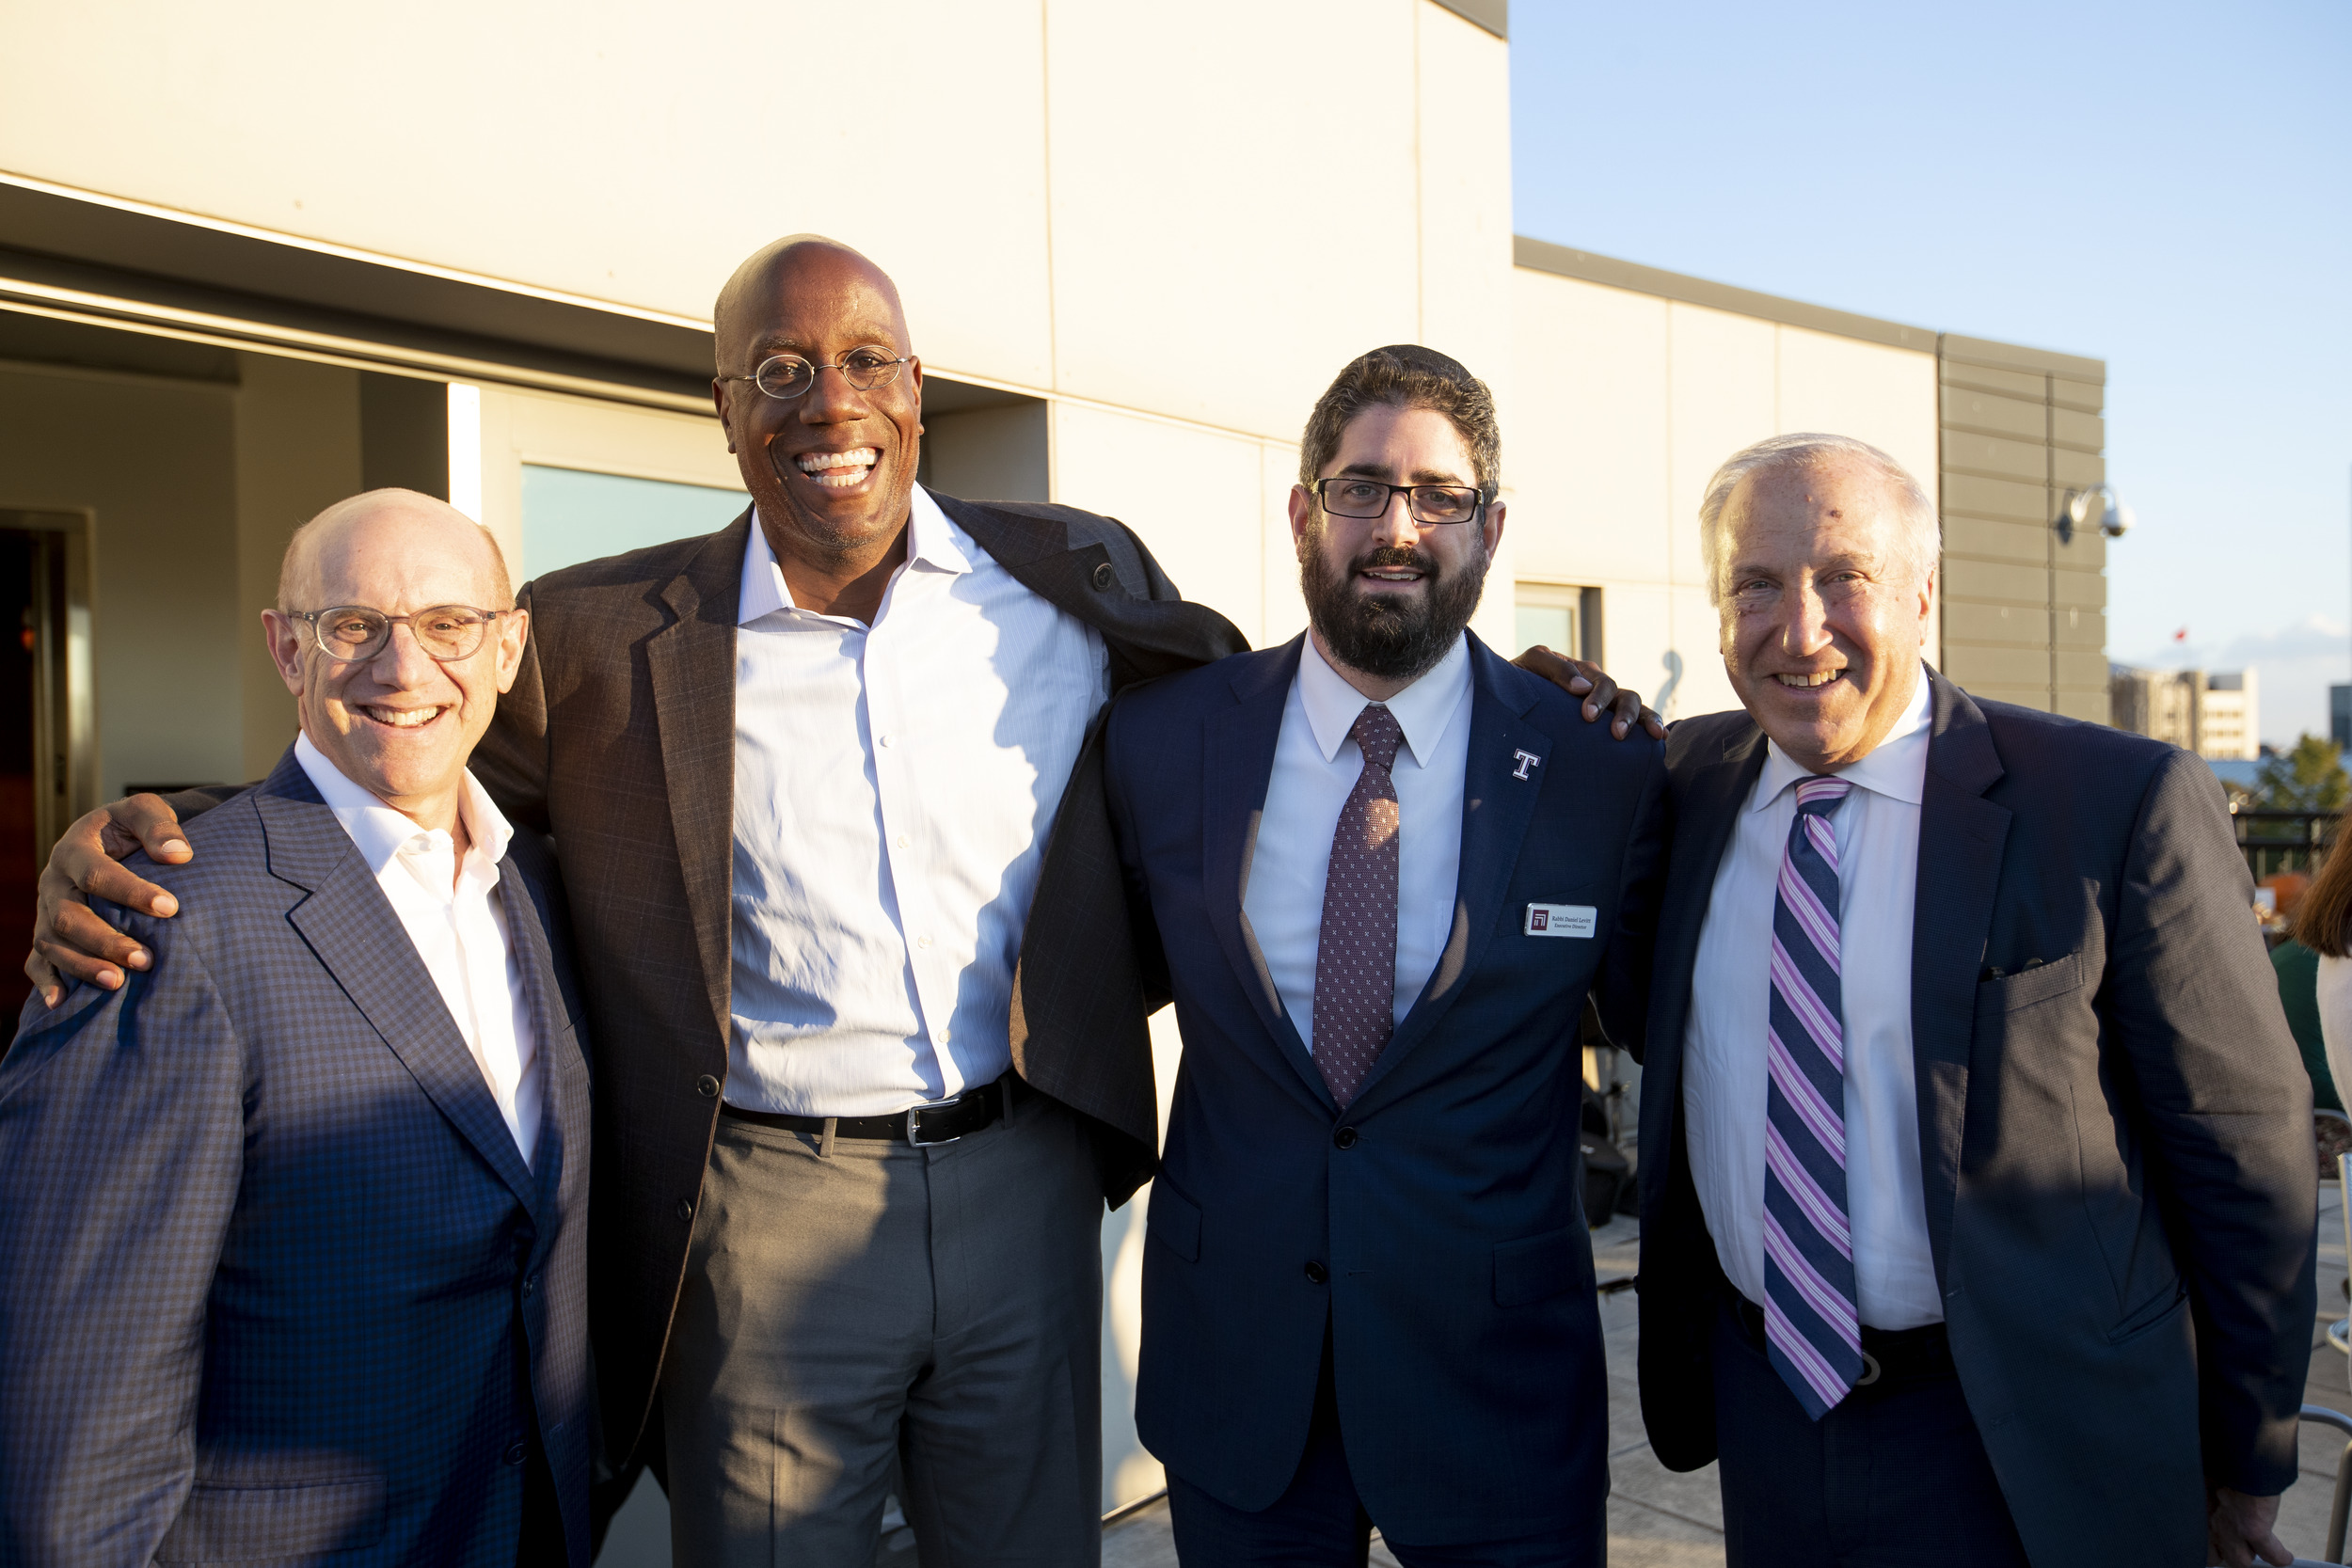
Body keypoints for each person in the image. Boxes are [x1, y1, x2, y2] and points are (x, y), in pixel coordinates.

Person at [24, 242, 1651, 1564]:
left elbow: (1305, 716)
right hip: (766, 1203)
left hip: (1020, 1181)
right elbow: (405, 735)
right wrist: (174, 829)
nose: (829, 402)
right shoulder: (599, 639)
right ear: (725, 409)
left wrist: (1553, 699)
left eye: (865, 359)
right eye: (779, 372)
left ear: (919, 391)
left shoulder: (1077, 587)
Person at [1629, 433, 2315, 1568]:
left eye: (1845, 577)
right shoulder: (1678, 785)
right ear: (1716, 609)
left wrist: (2249, 1458)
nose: (1800, 630)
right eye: (1756, 583)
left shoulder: (2110, 804)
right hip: (1769, 1416)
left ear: (1922, 594)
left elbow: (2243, 1145)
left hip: (2031, 1445)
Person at [1104, 345, 1666, 1566]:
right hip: (1240, 1380)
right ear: (1304, 511)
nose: (1397, 527)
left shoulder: (1599, 766)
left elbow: (1675, 1022)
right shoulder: (1161, 740)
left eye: (1440, 496)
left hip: (1497, 1391)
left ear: (1492, 527)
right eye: (1362, 487)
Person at [0, 492, 592, 1564]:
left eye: (449, 624)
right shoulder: (157, 928)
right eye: (351, 625)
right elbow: (70, 1390)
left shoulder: (544, 889)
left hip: (519, 1527)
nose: (405, 669)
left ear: (507, 648)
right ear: (285, 648)